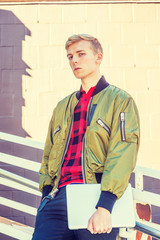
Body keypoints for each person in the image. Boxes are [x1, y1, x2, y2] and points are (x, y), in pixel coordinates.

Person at [32, 34, 140, 240]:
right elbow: (48, 153)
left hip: (95, 198)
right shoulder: (62, 107)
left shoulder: (120, 101)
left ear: (99, 57)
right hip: (56, 200)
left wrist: (105, 206)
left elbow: (122, 154)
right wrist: (46, 193)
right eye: (70, 56)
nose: (74, 60)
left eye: (81, 54)